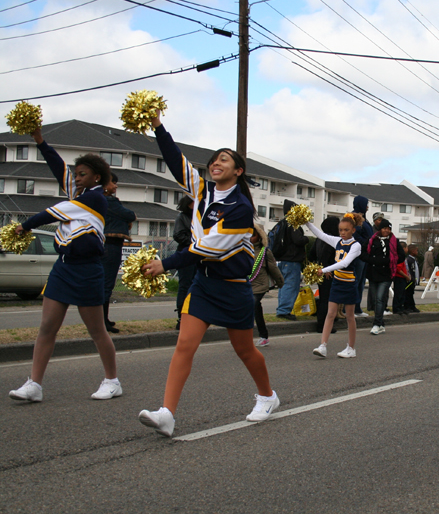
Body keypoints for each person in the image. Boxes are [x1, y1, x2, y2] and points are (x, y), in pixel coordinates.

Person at [137, 112, 277, 438]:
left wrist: (165, 264)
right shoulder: (202, 191)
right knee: (184, 344)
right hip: (203, 285)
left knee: (245, 350)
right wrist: (158, 126)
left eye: (224, 160)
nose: (216, 163)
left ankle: (268, 396)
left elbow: (209, 249)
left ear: (237, 170)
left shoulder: (241, 208)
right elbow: (176, 162)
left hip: (232, 289)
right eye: (214, 159)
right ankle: (167, 414)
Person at [9, 127, 120, 403]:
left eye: (82, 174)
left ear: (96, 176)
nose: (76, 178)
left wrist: (24, 226)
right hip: (63, 267)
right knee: (47, 327)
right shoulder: (78, 194)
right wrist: (40, 141)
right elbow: (58, 169)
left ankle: (112, 380)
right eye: (76, 174)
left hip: (88, 270)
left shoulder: (94, 199)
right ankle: (34, 384)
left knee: (96, 330)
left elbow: (50, 213)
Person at [308, 215, 362, 359]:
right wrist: (306, 222)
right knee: (330, 313)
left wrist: (324, 270)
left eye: (346, 230)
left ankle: (351, 348)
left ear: (353, 230)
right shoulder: (337, 241)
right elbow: (320, 234)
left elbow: (345, 263)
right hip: (337, 283)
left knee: (349, 316)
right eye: (340, 230)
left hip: (349, 283)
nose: (343, 233)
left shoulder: (356, 246)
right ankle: (323, 346)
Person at [101, 172, 136, 333]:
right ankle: (102, 322)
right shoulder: (109, 202)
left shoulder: (100, 201)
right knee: (106, 284)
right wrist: (126, 219)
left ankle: (104, 319)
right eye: (113, 183)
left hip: (107, 245)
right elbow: (129, 215)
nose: (115, 186)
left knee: (105, 284)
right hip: (110, 246)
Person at [365, 220, 405, 334]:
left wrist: (389, 261)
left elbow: (402, 256)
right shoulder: (372, 240)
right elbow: (362, 252)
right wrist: (371, 260)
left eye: (388, 228)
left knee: (379, 298)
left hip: (386, 274)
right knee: (375, 299)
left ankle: (376, 324)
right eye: (384, 228)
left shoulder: (394, 241)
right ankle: (381, 323)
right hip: (373, 273)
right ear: (380, 229)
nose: (386, 230)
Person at [275, 200, 309, 321]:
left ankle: (282, 309)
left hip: (282, 259)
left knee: (283, 286)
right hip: (291, 260)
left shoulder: (282, 223)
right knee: (290, 285)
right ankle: (284, 311)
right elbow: (298, 240)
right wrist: (306, 239)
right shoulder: (292, 224)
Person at [250, 223, 284, 346]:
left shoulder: (265, 252)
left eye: (253, 234)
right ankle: (243, 336)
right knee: (247, 308)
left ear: (260, 236)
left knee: (254, 303)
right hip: (245, 284)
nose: (249, 236)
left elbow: (273, 268)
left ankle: (263, 336)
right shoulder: (242, 250)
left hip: (260, 284)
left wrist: (280, 282)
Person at [308, 216, 340, 333]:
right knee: (328, 300)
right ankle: (323, 325)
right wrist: (326, 268)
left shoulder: (319, 238)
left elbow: (312, 255)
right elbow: (325, 255)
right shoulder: (331, 239)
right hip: (329, 273)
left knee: (323, 299)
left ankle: (324, 323)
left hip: (320, 272)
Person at [173, 196, 196, 330]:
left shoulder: (199, 217)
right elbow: (178, 235)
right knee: (185, 285)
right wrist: (194, 243)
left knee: (196, 285)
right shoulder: (182, 217)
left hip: (198, 255)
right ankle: (181, 317)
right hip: (186, 254)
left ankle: (193, 315)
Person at [351, 196, 372, 317]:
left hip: (364, 255)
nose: (367, 206)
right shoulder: (354, 218)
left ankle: (357, 308)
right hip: (358, 255)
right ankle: (349, 308)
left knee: (361, 282)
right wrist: (366, 243)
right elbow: (355, 236)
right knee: (355, 281)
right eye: (366, 204)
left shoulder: (364, 218)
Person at [392, 242, 410, 315]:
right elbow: (398, 269)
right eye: (406, 248)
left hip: (403, 278)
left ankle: (401, 307)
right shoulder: (399, 257)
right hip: (399, 277)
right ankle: (396, 308)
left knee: (402, 293)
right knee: (398, 293)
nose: (407, 250)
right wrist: (406, 276)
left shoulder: (403, 257)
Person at [405, 244, 421, 313]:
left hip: (414, 280)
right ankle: (409, 306)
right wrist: (411, 278)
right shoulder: (409, 260)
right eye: (417, 251)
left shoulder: (414, 260)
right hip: (410, 281)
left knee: (411, 293)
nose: (417, 252)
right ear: (413, 251)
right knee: (408, 293)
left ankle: (412, 306)